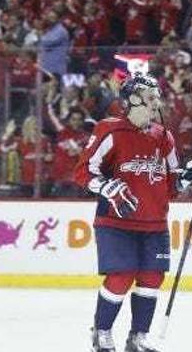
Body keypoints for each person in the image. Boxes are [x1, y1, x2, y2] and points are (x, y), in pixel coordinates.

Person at [75, 73, 180, 351]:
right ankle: (102, 332)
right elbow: (83, 171)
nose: (156, 101)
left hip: (155, 223)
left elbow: (175, 182)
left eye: (157, 95)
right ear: (133, 99)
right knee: (121, 276)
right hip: (116, 221)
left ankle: (138, 337)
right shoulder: (109, 130)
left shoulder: (164, 136)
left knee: (152, 278)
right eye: (150, 96)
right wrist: (106, 186)